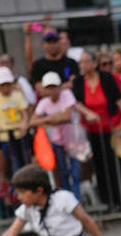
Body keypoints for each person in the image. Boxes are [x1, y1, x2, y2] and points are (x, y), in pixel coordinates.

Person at [73, 50, 121, 209]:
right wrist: (88, 113)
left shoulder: (106, 78)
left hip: (112, 127)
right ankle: (107, 201)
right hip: (92, 130)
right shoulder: (78, 81)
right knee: (99, 166)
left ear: (95, 63)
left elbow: (119, 98)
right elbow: (76, 102)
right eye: (81, 63)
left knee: (117, 164)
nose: (84, 66)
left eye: (87, 62)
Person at [30, 71, 82, 200]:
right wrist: (50, 119)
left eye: (54, 86)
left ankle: (77, 199)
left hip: (72, 139)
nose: (52, 90)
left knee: (75, 173)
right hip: (57, 140)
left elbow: (66, 116)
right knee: (62, 172)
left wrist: (50, 119)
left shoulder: (67, 95)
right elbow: (33, 121)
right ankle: (68, 199)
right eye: (49, 87)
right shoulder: (44, 102)